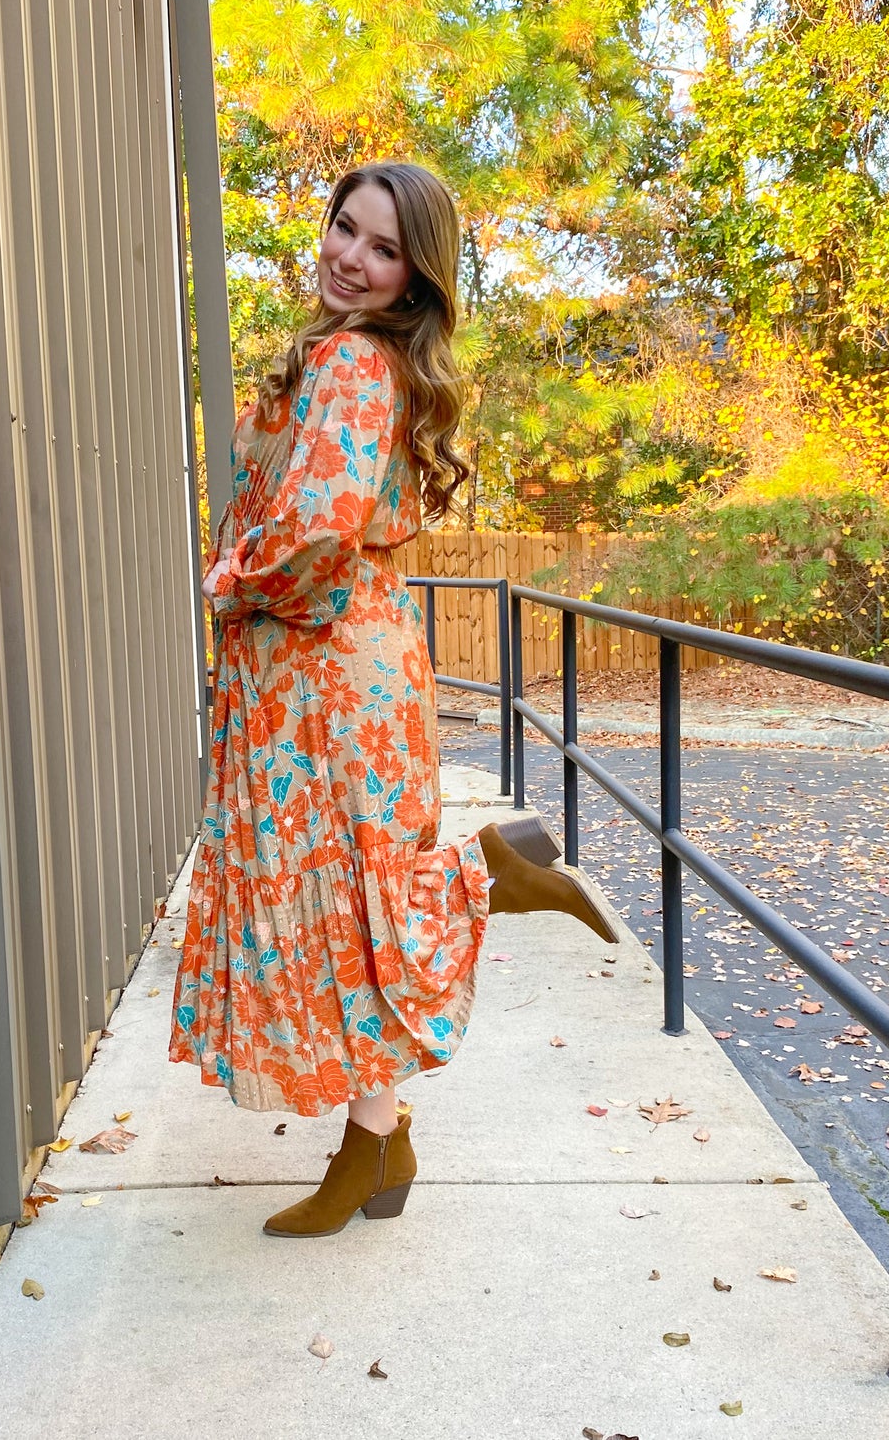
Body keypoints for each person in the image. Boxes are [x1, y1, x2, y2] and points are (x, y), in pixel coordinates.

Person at [170, 161, 618, 1238]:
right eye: (343, 228)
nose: (349, 256)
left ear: (413, 279)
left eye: (380, 249)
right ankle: (377, 1144)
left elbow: (313, 529)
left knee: (348, 903)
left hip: (324, 681)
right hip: (337, 671)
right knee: (346, 908)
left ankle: (487, 871)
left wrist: (220, 582)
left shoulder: (355, 368)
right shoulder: (347, 360)